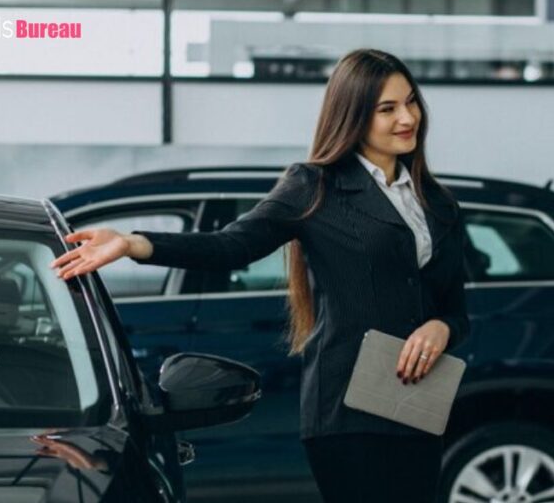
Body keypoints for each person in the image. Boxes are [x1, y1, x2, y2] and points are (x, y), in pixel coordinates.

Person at [51, 48, 470, 503]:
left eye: (410, 102)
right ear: (352, 115)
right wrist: (134, 243)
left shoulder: (438, 204)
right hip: (347, 407)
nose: (407, 117)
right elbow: (231, 245)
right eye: (387, 108)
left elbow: (457, 309)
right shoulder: (315, 186)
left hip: (415, 401)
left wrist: (440, 327)